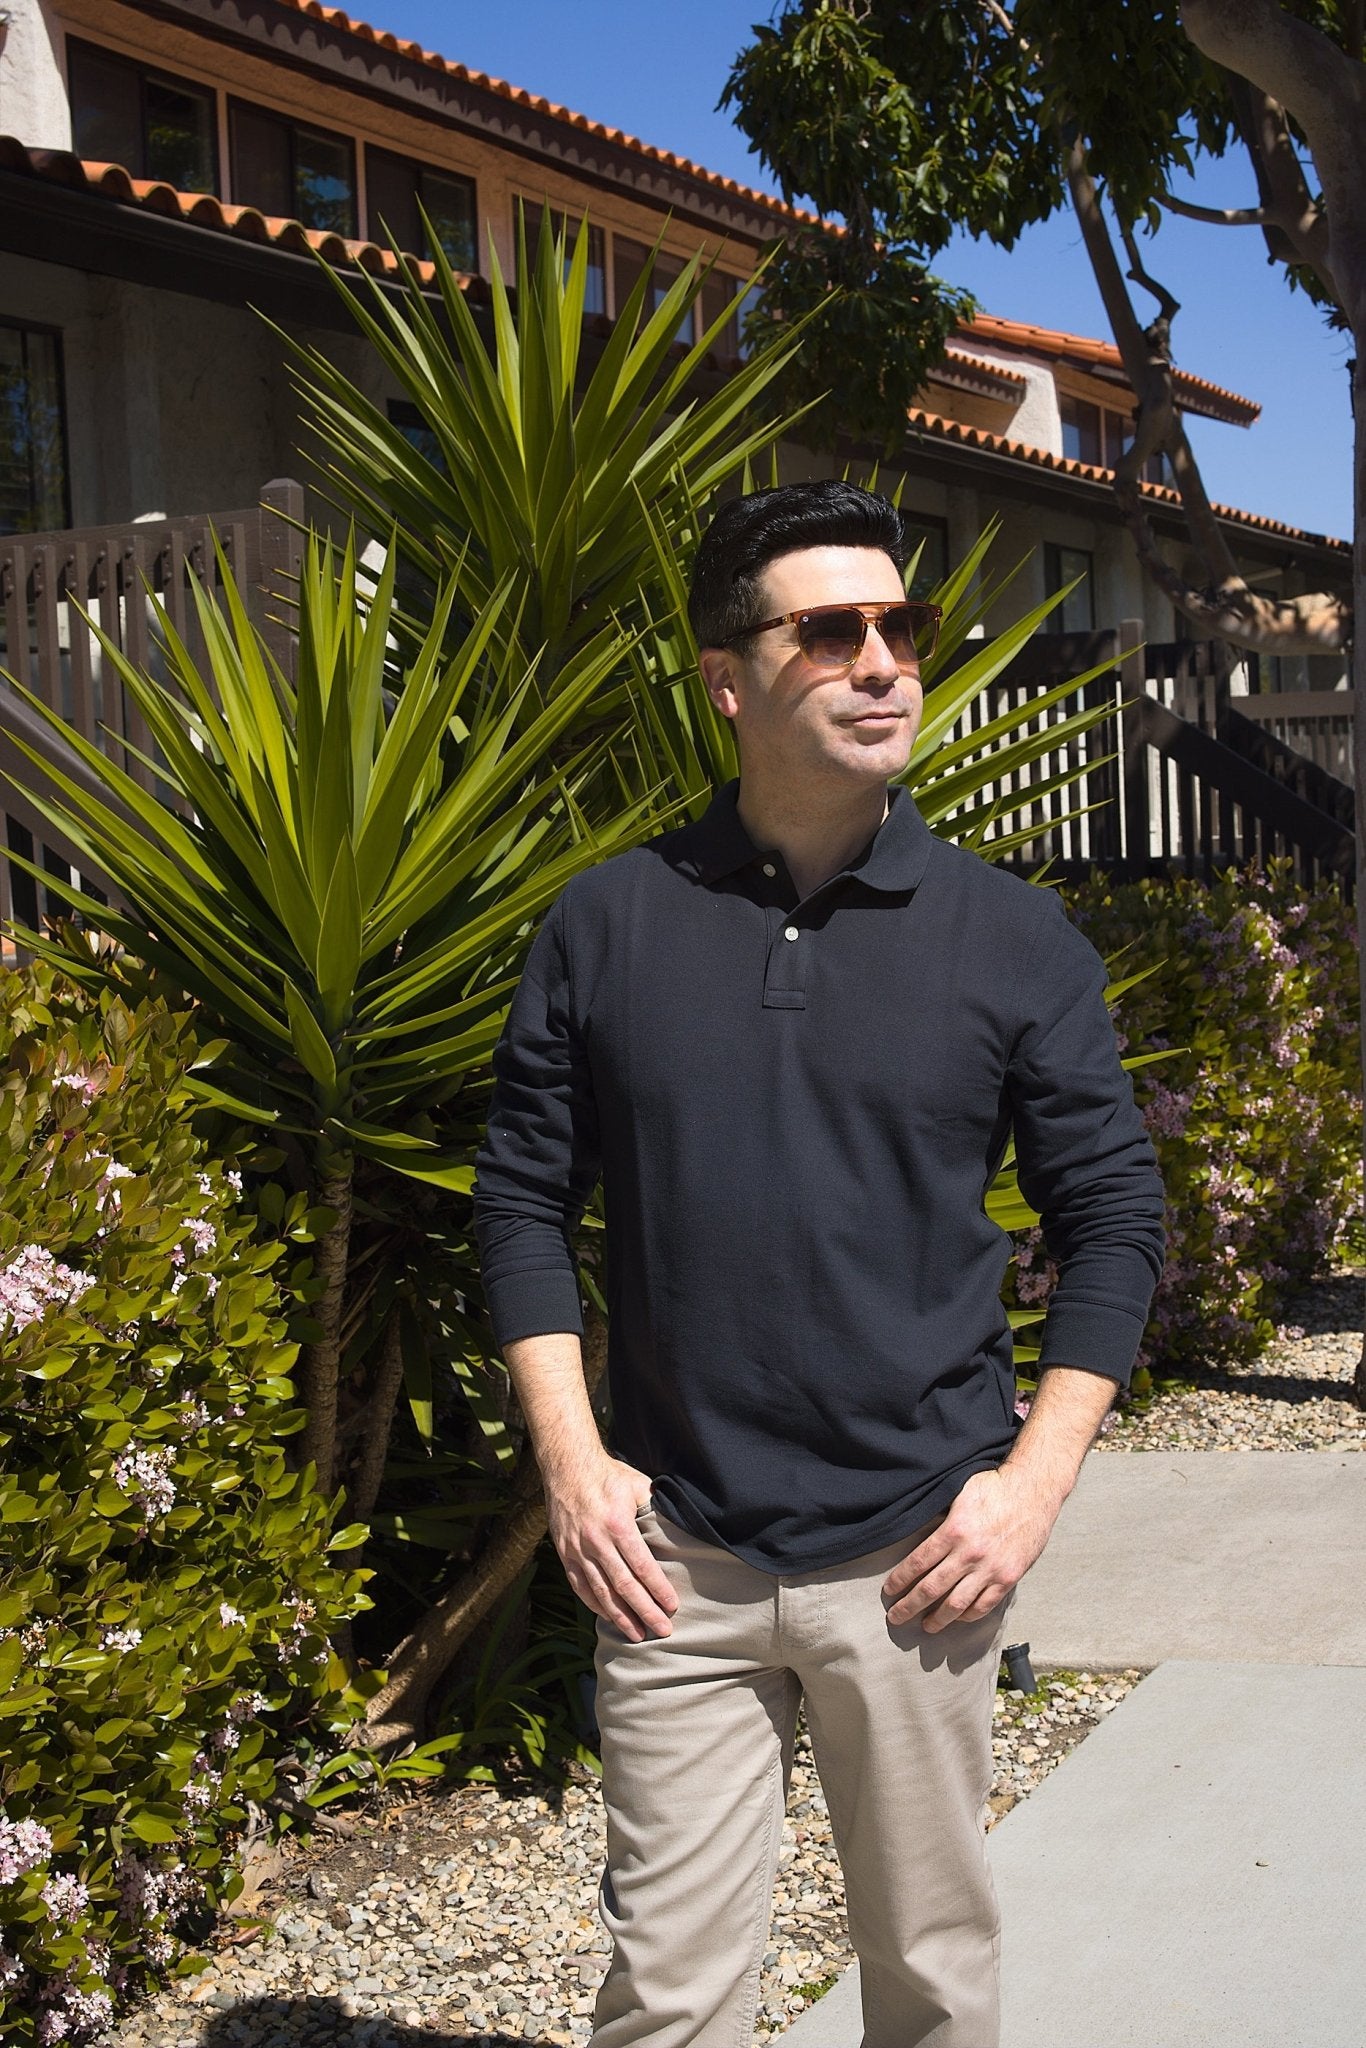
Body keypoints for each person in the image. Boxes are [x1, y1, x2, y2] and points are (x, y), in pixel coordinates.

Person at [472, 480, 1165, 2048]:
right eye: (832, 630)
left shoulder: (1011, 938)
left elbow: (1114, 1222)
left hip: (916, 1561)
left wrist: (1026, 1491)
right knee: (666, 2000)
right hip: (677, 1560)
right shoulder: (606, 924)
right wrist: (574, 1469)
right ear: (728, 679)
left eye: (899, 627)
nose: (881, 662)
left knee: (928, 1980)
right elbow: (518, 1203)